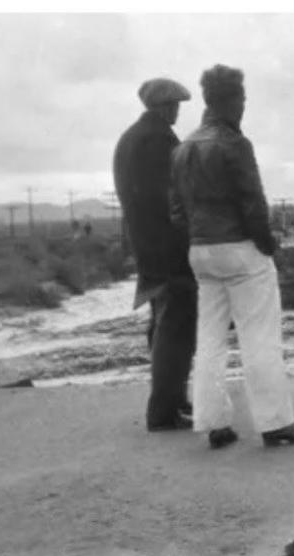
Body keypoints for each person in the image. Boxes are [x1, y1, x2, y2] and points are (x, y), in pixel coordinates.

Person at [169, 63, 294, 450]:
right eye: (242, 99)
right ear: (232, 100)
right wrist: (267, 244)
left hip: (200, 251)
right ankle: (275, 423)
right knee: (260, 338)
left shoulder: (183, 147)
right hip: (239, 249)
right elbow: (253, 203)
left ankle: (212, 422)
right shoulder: (235, 144)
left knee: (210, 338)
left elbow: (176, 211)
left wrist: (199, 238)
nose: (244, 107)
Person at [113, 76, 196, 432]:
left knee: (162, 324)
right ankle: (163, 410)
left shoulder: (130, 139)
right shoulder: (158, 140)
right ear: (165, 106)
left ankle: (173, 400)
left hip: (147, 246)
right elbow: (171, 200)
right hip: (169, 248)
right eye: (175, 105)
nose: (178, 111)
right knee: (176, 328)